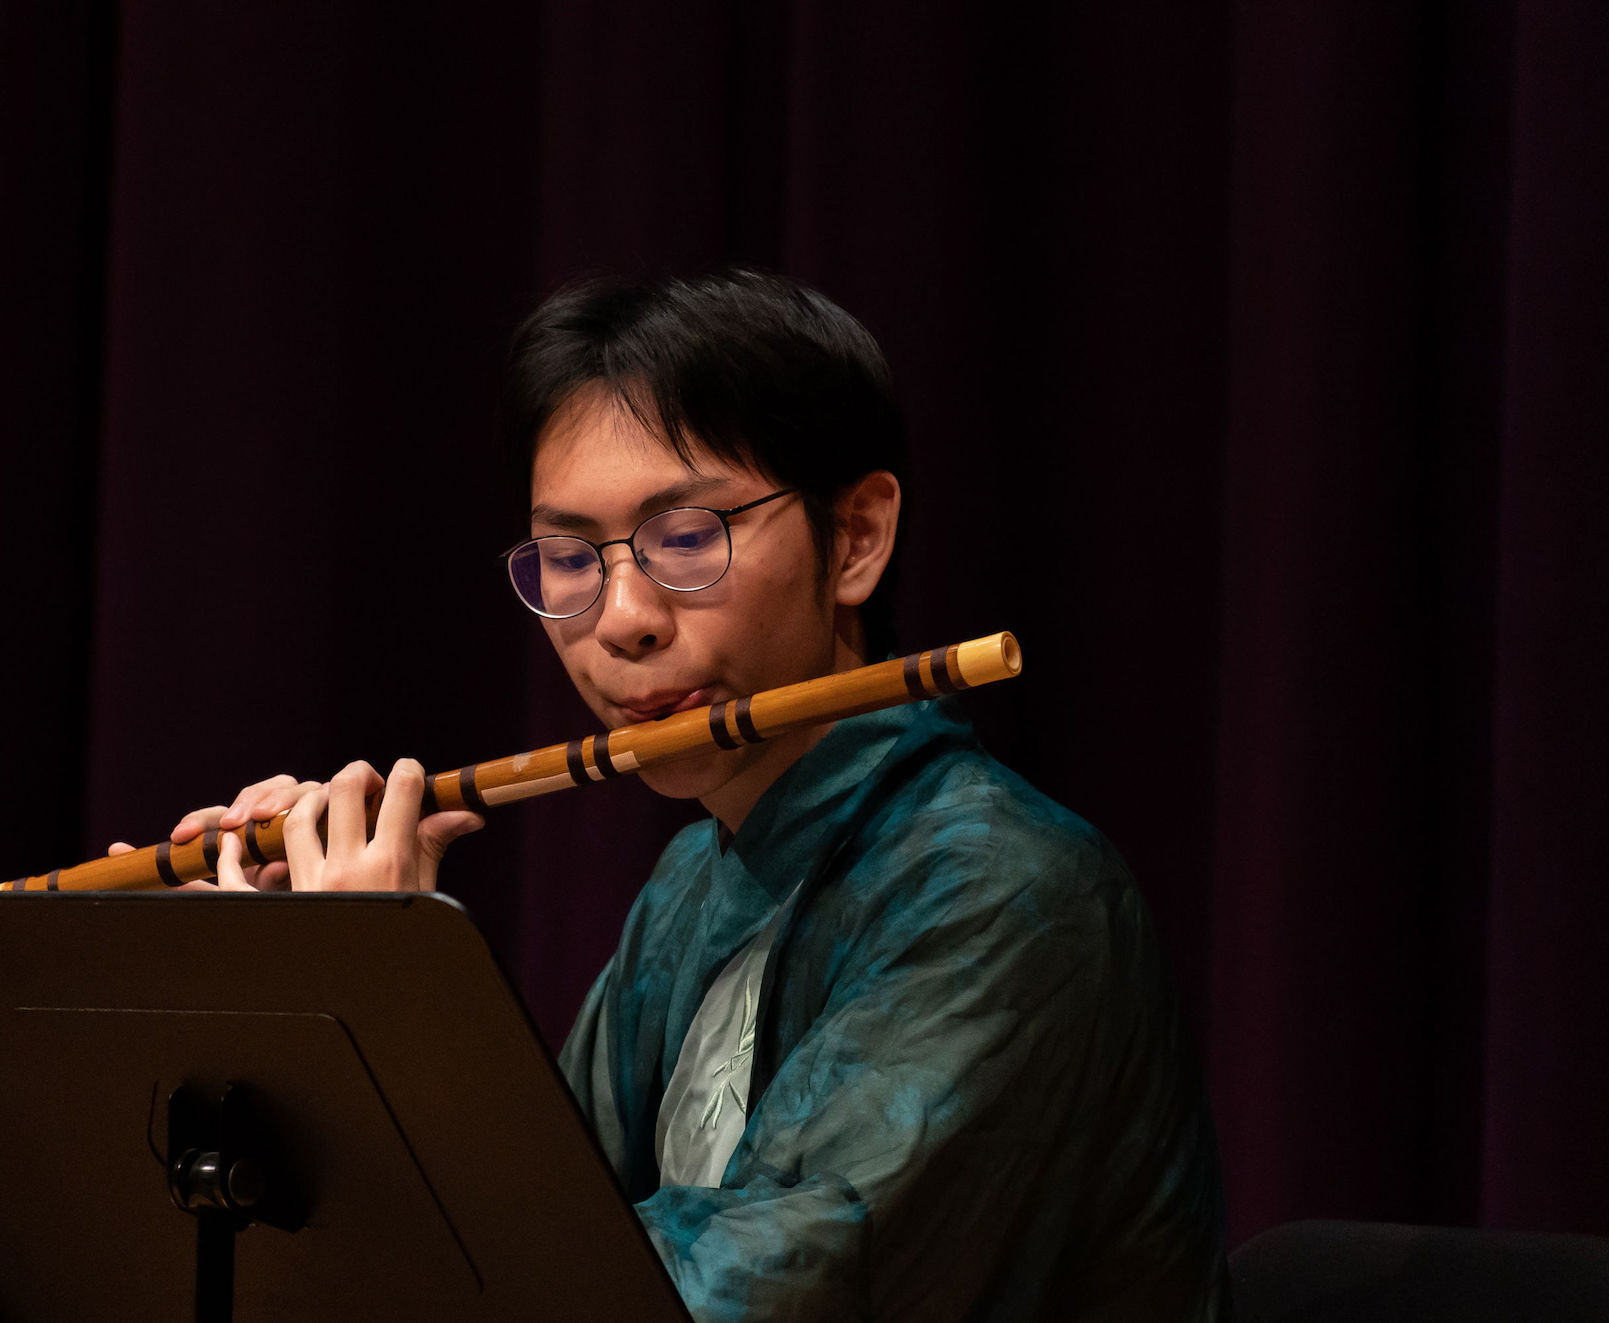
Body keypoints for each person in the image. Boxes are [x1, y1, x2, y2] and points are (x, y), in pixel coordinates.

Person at [133, 270, 1231, 1320]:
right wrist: (292, 1007)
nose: (620, 620)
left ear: (853, 539)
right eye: (568, 557)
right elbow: (523, 1241)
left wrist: (386, 995)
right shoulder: (694, 884)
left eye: (685, 538)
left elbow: (689, 1302)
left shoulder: (1003, 895)